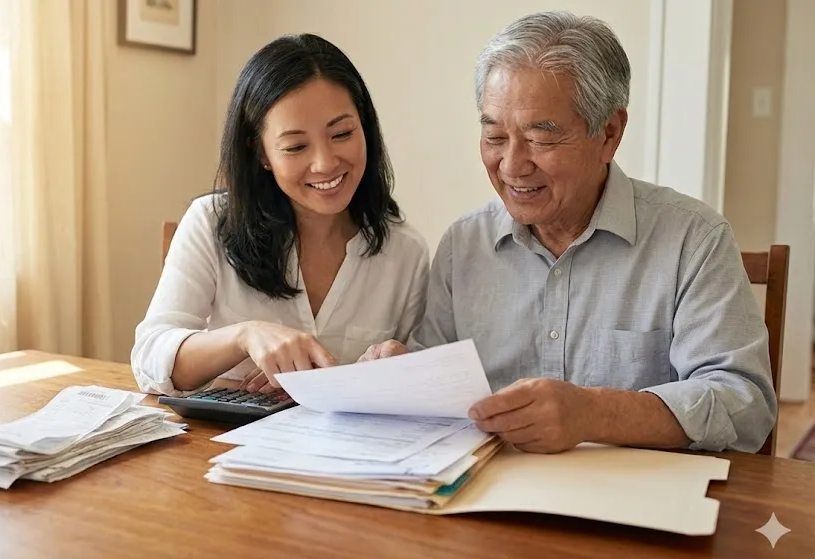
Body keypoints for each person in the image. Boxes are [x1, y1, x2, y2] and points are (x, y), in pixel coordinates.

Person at [361, 11, 776, 454]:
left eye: (541, 139)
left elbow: (744, 405)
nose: (512, 166)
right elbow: (436, 387)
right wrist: (400, 376)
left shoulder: (694, 239)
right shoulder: (463, 245)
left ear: (609, 133)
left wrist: (595, 413)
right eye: (495, 137)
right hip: (492, 487)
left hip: (633, 489)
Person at [132, 33, 429, 397]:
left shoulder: (405, 252)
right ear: (261, 154)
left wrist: (394, 369)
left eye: (342, 133)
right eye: (296, 146)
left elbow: (417, 385)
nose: (325, 163)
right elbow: (150, 359)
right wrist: (246, 336)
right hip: (222, 434)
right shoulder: (210, 223)